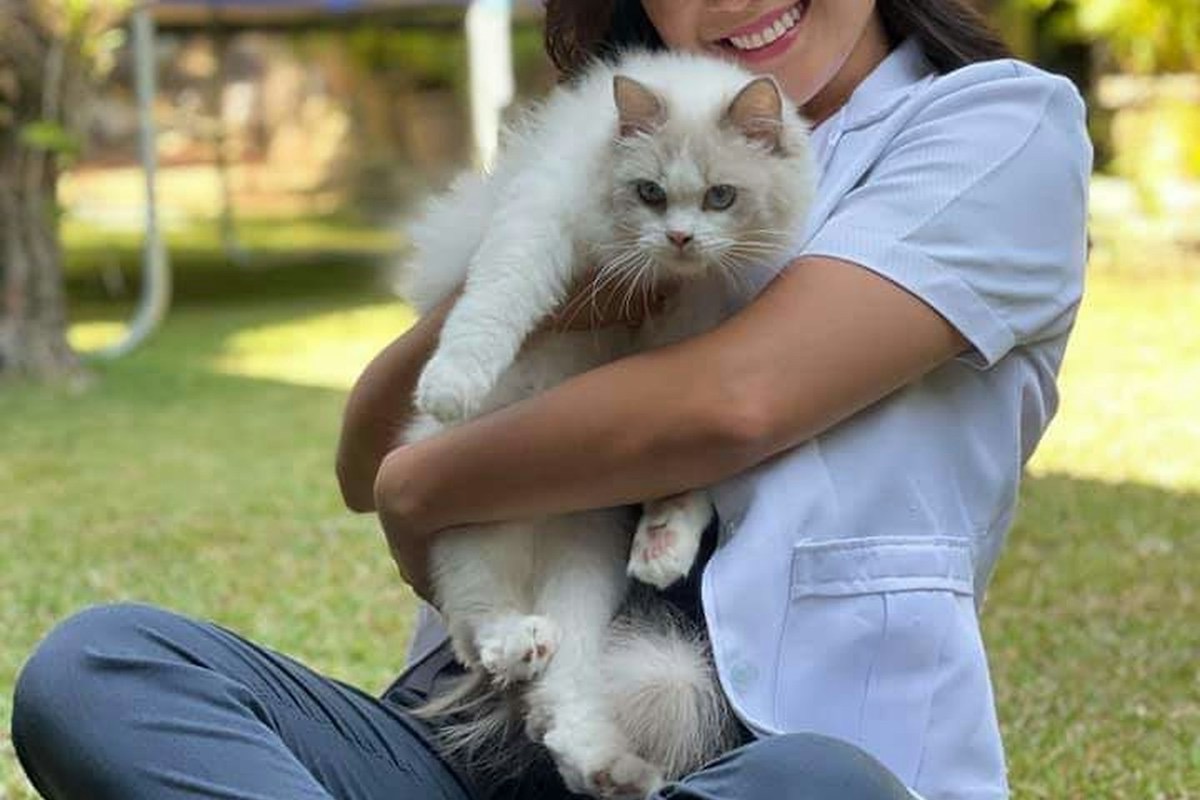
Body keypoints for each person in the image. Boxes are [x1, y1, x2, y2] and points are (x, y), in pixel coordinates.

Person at [10, 1, 1091, 798]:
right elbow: (364, 450)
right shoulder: (620, 136)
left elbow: (735, 400)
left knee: (825, 786)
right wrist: (538, 252)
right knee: (100, 667)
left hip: (744, 754)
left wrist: (423, 486)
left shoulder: (999, 129)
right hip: (474, 740)